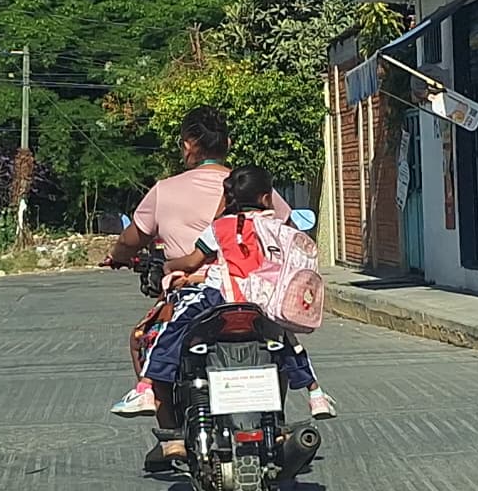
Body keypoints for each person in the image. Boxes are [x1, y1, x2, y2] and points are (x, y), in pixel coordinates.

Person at [105, 107, 336, 445]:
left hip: (202, 291)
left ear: (188, 144)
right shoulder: (254, 186)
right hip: (259, 298)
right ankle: (298, 403)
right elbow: (289, 234)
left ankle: (169, 432)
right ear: (227, 144)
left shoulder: (168, 192)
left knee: (147, 337)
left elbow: (132, 241)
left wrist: (121, 257)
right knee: (282, 342)